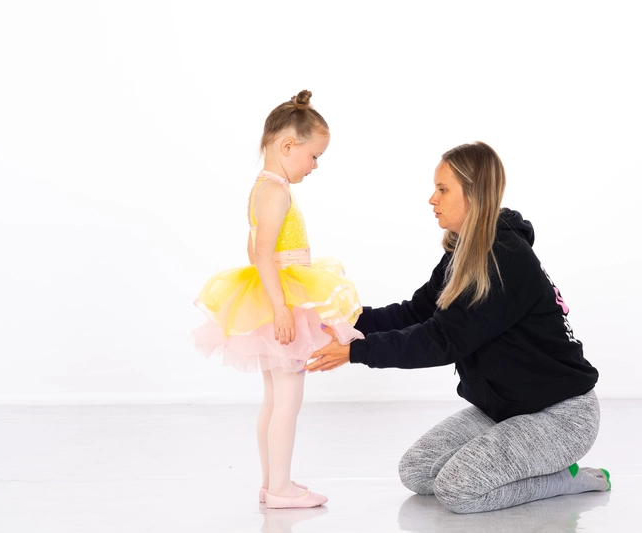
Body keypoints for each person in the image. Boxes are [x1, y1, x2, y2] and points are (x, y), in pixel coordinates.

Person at [305, 141, 611, 514]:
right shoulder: (464, 251)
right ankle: (528, 465)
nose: (432, 199)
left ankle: (567, 477)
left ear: (475, 194)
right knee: (417, 472)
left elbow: (443, 339)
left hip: (560, 415)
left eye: (443, 189)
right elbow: (418, 312)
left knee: (459, 491)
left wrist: (357, 351)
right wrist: (344, 319)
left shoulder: (504, 259)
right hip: (506, 408)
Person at [191, 90, 363, 509]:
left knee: (274, 396)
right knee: (289, 396)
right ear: (288, 146)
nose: (316, 165)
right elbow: (264, 252)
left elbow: (253, 250)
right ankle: (281, 489)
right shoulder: (277, 191)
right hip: (281, 297)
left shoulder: (264, 187)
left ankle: (274, 483)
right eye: (314, 156)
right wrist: (281, 308)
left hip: (276, 292)